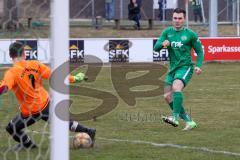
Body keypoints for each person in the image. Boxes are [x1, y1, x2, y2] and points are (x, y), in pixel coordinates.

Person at [0, 41, 96, 151]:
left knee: (11, 128)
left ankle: (28, 145)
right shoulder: (35, 64)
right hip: (44, 103)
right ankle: (89, 131)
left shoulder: (11, 73)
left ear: (10, 56)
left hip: (30, 111)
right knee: (63, 123)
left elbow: (3, 88)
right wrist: (74, 78)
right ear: (24, 54)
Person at [153, 8, 204, 130]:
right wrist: (162, 44)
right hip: (173, 69)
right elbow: (156, 48)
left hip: (185, 67)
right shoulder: (167, 32)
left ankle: (174, 118)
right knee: (167, 96)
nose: (177, 21)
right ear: (172, 19)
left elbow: (200, 51)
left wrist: (198, 65)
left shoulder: (190, 34)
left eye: (180, 18)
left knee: (176, 87)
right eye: (175, 18)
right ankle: (189, 121)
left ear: (184, 19)